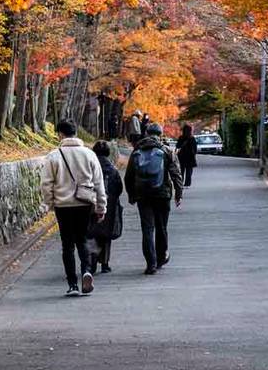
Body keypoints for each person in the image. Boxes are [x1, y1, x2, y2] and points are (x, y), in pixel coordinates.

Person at [41, 120, 107, 297]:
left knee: (67, 245)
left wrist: (49, 203)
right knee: (83, 240)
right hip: (84, 204)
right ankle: (86, 271)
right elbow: (99, 184)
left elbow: (46, 184)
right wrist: (101, 207)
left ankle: (72, 284)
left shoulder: (54, 156)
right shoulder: (89, 154)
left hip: (63, 206)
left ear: (60, 134)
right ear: (75, 133)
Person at [124, 121, 183, 275]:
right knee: (161, 227)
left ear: (147, 134)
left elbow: (129, 176)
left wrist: (131, 195)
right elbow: (176, 174)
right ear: (160, 135)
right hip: (162, 194)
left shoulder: (137, 150)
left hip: (143, 195)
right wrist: (178, 194)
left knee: (147, 229)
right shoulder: (166, 151)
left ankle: (151, 263)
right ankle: (161, 257)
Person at [88, 140, 124, 274]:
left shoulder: (90, 166)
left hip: (91, 203)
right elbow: (119, 188)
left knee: (91, 232)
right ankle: (105, 263)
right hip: (110, 204)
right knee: (106, 234)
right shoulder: (112, 169)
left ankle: (91, 262)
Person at [176, 122, 198, 188]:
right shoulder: (192, 138)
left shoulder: (181, 138)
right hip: (190, 157)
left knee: (181, 171)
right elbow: (195, 148)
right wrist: (193, 154)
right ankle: (187, 184)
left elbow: (178, 146)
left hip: (181, 156)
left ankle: (180, 182)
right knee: (189, 171)